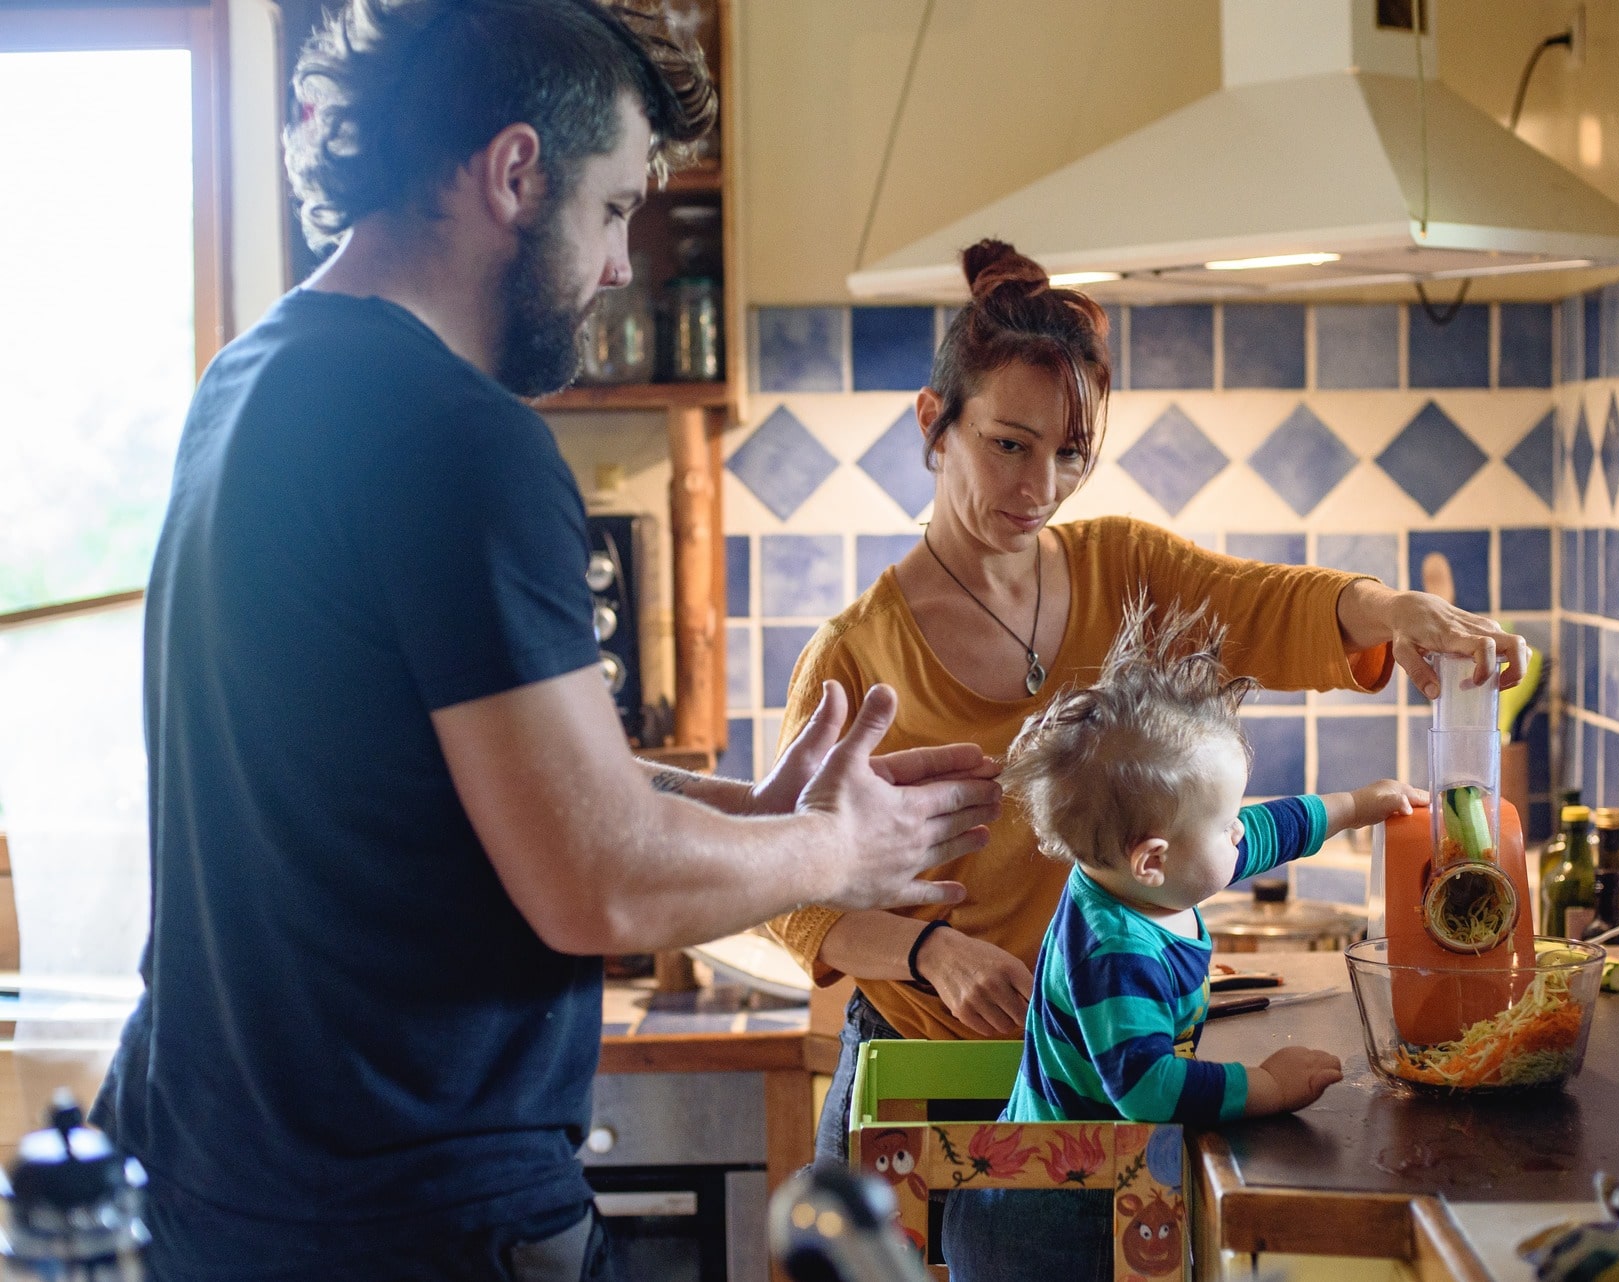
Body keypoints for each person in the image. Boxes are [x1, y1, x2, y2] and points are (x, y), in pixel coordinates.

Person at [90, 3, 999, 1279]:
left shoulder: (251, 381)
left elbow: (438, 776)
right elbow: (597, 879)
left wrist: (748, 814)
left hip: (215, 1187)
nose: (624, 262)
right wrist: (839, 847)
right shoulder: (461, 436)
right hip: (410, 1216)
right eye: (619, 206)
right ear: (517, 173)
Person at [763, 239, 1528, 1165]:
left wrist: (1390, 610)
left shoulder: (1122, 567)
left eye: (1069, 453)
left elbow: (1263, 603)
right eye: (1009, 445)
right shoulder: (854, 657)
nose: (1037, 487)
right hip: (926, 1079)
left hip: (1114, 1082)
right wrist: (933, 954)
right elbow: (787, 897)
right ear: (935, 422)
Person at [939, 603, 1424, 1281]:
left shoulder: (1145, 879)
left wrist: (1353, 808)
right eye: (1224, 821)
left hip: (1090, 1191)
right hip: (1051, 1221)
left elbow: (1258, 835)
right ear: (1153, 859)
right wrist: (1266, 1085)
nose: (1238, 833)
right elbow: (1146, 1089)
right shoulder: (1115, 949)